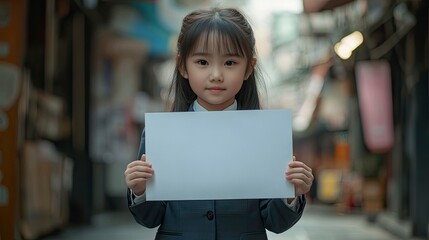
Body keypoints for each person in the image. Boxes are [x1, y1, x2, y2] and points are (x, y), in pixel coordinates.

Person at [124, 7, 314, 240]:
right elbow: (151, 217)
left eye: (230, 62)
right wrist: (140, 190)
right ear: (183, 66)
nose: (216, 74)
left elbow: (274, 221)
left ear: (249, 67)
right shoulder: (162, 135)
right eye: (202, 62)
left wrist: (291, 194)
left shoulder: (265, 135)